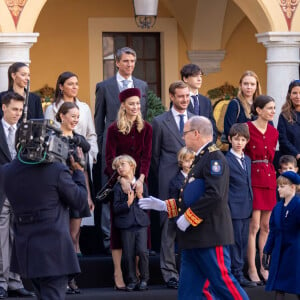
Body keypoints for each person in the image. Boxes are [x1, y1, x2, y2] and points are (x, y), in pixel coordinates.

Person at [140, 116, 249, 300]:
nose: (183, 137)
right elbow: (190, 198)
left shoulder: (215, 159)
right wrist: (164, 206)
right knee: (189, 292)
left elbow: (214, 195)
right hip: (193, 238)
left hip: (210, 235)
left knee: (224, 284)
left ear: (196, 133)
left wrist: (189, 217)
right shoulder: (200, 159)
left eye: (185, 133)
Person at [1, 134, 89, 300]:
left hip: (26, 251)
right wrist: (78, 172)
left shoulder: (7, 171)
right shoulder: (56, 171)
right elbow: (79, 201)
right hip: (53, 252)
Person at [94, 47, 148, 253]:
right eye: (126, 61)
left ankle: (135, 239)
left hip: (135, 148)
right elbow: (99, 121)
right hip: (113, 148)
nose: (130, 65)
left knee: (137, 190)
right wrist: (101, 150)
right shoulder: (104, 86)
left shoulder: (142, 85)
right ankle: (109, 240)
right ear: (117, 63)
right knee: (112, 192)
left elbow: (143, 116)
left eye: (133, 61)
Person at [45, 71, 98, 254]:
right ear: (61, 86)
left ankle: (75, 269)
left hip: (80, 168)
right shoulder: (51, 109)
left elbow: (91, 136)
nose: (75, 87)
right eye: (70, 84)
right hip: (59, 174)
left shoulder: (84, 108)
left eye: (77, 83)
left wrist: (88, 156)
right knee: (62, 232)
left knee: (75, 233)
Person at [105, 87, 152, 290]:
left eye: (138, 104)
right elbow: (109, 159)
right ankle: (119, 272)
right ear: (123, 105)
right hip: (117, 183)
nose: (135, 107)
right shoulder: (113, 129)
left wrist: (140, 179)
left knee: (141, 228)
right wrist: (120, 179)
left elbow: (147, 158)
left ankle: (139, 272)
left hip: (139, 180)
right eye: (131, 104)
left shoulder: (147, 128)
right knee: (119, 230)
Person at [150, 81, 193, 290]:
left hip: (192, 180)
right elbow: (154, 155)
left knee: (191, 225)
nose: (185, 100)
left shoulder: (195, 120)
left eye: (187, 96)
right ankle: (170, 274)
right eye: (181, 96)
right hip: (169, 182)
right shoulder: (159, 122)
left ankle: (189, 271)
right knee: (169, 227)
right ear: (172, 97)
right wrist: (166, 175)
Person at [55, 101, 94, 294]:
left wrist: (87, 195)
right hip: (60, 193)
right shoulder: (53, 138)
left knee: (73, 236)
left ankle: (71, 279)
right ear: (62, 116)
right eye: (72, 116)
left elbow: (84, 168)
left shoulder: (79, 140)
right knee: (63, 237)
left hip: (77, 190)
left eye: (78, 117)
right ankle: (62, 279)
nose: (76, 120)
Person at [0, 91, 35, 298]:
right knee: (1, 239)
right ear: (3, 107)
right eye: (14, 109)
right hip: (1, 191)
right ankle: (1, 282)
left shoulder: (26, 130)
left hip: (21, 192)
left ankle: (15, 280)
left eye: (20, 110)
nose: (18, 114)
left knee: (19, 238)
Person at [244, 95, 278, 284]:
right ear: (258, 110)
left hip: (269, 177)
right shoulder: (248, 128)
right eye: (269, 108)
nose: (273, 111)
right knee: (254, 226)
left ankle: (265, 267)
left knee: (266, 226)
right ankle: (252, 267)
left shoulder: (274, 132)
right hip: (253, 178)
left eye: (274, 108)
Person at [112, 155, 150, 291]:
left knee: (142, 251)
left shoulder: (141, 184)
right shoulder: (117, 187)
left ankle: (144, 278)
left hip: (140, 223)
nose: (120, 168)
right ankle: (132, 280)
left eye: (122, 164)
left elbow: (147, 205)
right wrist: (127, 203)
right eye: (117, 167)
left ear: (132, 166)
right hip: (126, 225)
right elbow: (116, 208)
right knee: (128, 254)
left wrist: (140, 197)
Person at [225, 123, 256, 288]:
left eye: (243, 140)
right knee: (235, 242)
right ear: (230, 139)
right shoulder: (226, 160)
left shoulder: (248, 160)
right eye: (236, 139)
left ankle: (239, 272)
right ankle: (236, 274)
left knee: (243, 241)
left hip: (246, 207)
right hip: (233, 208)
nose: (239, 142)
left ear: (247, 141)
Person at [262, 171, 300, 300]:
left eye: (282, 186)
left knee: (297, 285)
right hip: (279, 252)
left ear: (293, 187)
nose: (278, 189)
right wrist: (267, 250)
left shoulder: (298, 205)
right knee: (279, 286)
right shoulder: (277, 207)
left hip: (295, 252)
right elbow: (273, 231)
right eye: (278, 186)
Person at [180, 63, 218, 141]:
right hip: (187, 147)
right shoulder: (179, 100)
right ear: (185, 79)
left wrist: (210, 144)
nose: (199, 79)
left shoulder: (206, 101)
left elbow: (212, 127)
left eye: (200, 76)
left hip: (205, 147)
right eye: (195, 76)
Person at [223, 70, 262, 139]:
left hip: (258, 147)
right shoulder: (234, 104)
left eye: (252, 84)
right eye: (246, 84)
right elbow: (229, 130)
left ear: (257, 86)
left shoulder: (262, 104)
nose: (249, 87)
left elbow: (270, 128)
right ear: (240, 85)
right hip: (240, 147)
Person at [277, 80, 300, 171]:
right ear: (289, 95)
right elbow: (283, 139)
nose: (298, 96)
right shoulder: (284, 115)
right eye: (294, 93)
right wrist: (297, 154)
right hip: (290, 164)